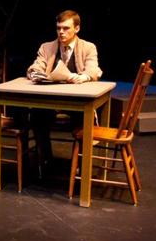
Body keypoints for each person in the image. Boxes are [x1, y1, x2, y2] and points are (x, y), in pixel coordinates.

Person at [26, 9, 102, 167]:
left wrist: (84, 76)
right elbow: (36, 66)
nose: (61, 32)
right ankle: (45, 160)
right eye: (58, 28)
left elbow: (93, 69)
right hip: (51, 100)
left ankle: (81, 164)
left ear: (77, 28)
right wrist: (35, 73)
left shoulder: (88, 47)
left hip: (76, 102)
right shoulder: (47, 47)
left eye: (66, 28)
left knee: (83, 119)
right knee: (37, 114)